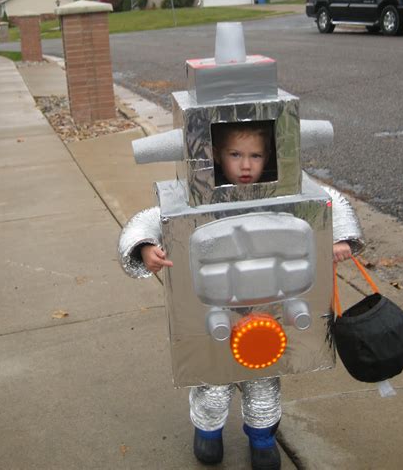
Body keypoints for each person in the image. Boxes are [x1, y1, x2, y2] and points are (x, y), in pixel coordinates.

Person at [118, 121, 362, 470]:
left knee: (264, 378)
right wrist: (144, 247)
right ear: (216, 154)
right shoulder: (192, 195)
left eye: (255, 155)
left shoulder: (287, 193)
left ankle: (262, 438)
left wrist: (340, 239)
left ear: (270, 156)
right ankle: (208, 431)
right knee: (212, 381)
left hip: (271, 308)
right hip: (213, 311)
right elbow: (148, 219)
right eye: (236, 154)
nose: (246, 165)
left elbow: (331, 202)